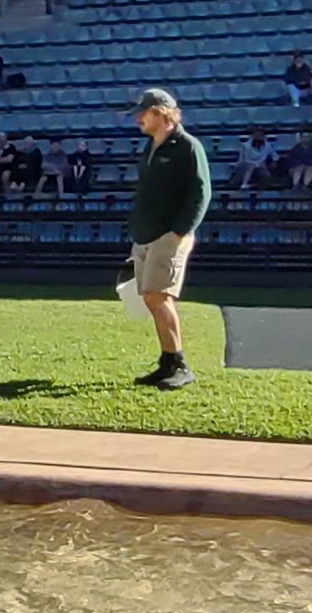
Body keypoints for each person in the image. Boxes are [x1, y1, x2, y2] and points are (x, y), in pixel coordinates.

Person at [127, 88, 211, 391]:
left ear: (161, 112)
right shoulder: (151, 146)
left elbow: (201, 193)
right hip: (147, 234)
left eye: (144, 112)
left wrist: (179, 231)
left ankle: (178, 363)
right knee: (151, 297)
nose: (138, 118)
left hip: (168, 236)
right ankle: (167, 361)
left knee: (158, 296)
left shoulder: (188, 147)